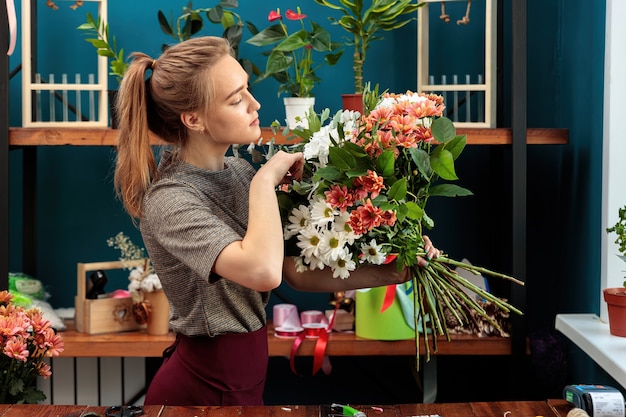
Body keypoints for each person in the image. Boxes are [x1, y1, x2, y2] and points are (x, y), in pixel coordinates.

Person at [113, 36, 440, 407]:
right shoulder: (171, 200)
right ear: (193, 119)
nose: (255, 104)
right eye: (236, 100)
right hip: (201, 387)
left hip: (246, 376)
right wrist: (266, 179)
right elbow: (262, 272)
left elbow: (293, 272)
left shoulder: (238, 172)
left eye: (247, 90)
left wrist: (395, 272)